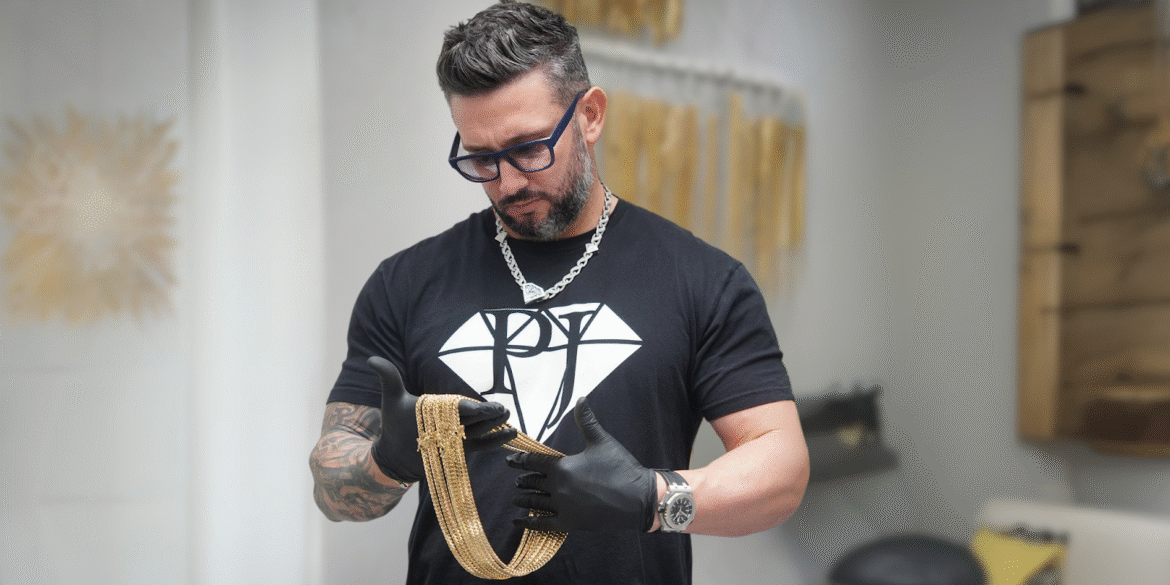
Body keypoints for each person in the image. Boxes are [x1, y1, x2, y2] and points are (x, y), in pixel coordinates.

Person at [309, 1, 809, 583]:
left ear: (590, 115)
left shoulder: (702, 280)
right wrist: (385, 462)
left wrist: (654, 497)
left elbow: (782, 469)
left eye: (528, 148)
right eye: (481, 159)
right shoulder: (405, 283)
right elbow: (332, 488)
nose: (509, 181)